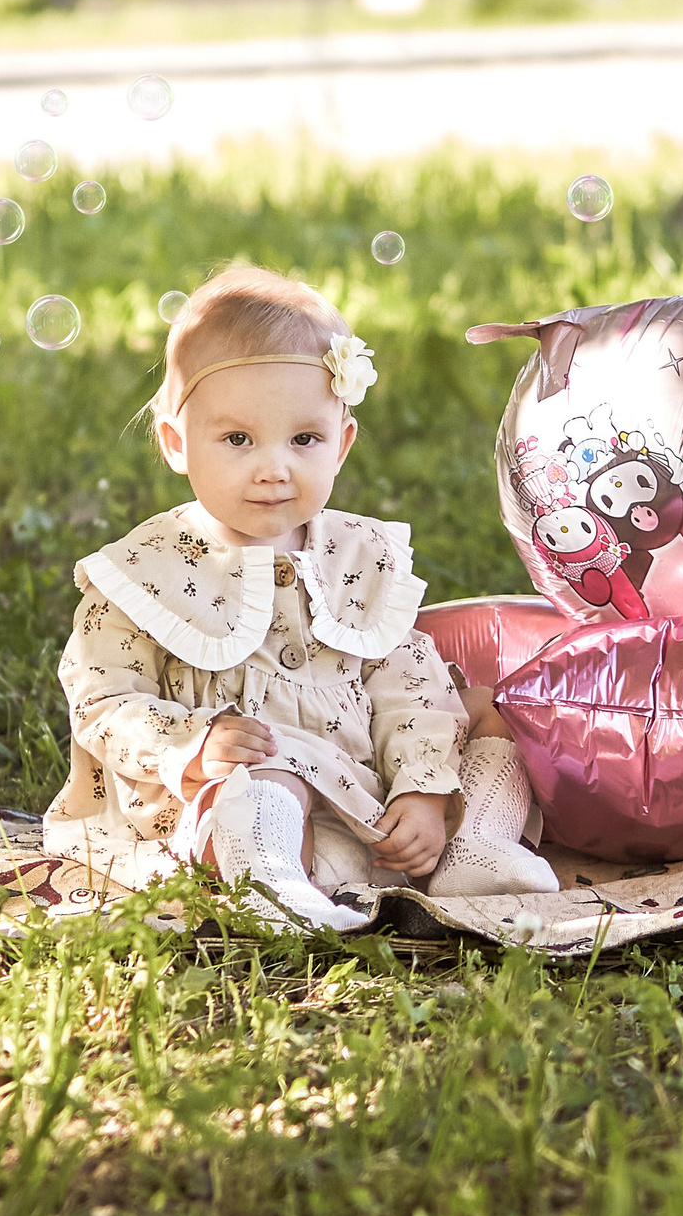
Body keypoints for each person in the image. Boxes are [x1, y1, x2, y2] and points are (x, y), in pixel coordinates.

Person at [45, 266, 559, 931]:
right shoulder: (145, 571)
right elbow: (102, 698)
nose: (274, 467)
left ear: (341, 444)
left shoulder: (358, 557)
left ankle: (471, 847)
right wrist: (191, 746)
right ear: (177, 443)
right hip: (224, 796)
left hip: (366, 809)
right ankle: (268, 882)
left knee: (489, 709)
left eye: (304, 439)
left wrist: (423, 792)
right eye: (238, 439)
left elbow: (409, 686)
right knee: (265, 770)